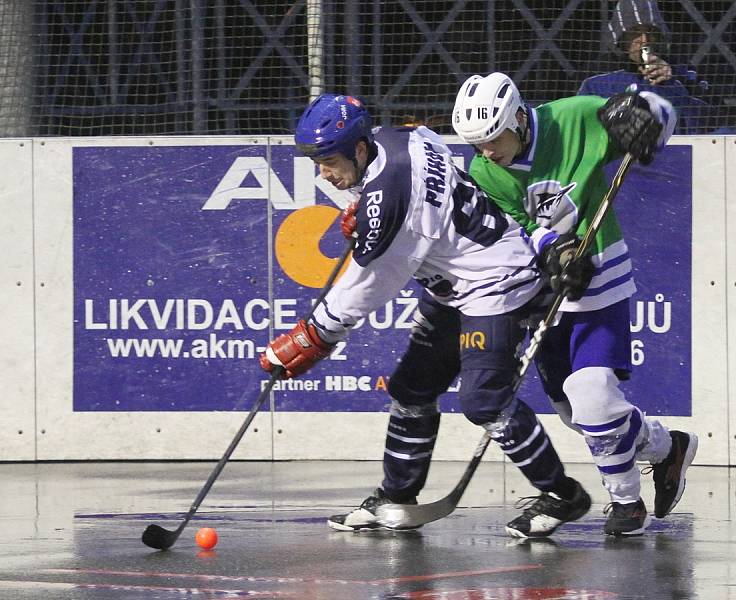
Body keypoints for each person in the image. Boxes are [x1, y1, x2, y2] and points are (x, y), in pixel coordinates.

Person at [259, 93, 594, 538]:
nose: (324, 173)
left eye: (331, 161)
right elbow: (417, 167)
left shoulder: (398, 201)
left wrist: (315, 335)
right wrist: (362, 206)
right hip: (458, 285)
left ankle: (564, 495)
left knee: (484, 401)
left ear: (358, 149)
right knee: (410, 388)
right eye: (317, 162)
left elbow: (371, 283)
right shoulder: (399, 138)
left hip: (497, 284)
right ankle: (396, 497)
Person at [451, 71, 699, 536]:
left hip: (600, 278)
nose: (487, 152)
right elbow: (517, 224)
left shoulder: (575, 116)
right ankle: (668, 448)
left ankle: (627, 504)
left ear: (519, 118)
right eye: (476, 144)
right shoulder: (483, 171)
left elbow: (659, 114)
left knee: (595, 401)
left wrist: (651, 123)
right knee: (575, 415)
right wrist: (554, 249)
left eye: (493, 138)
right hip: (543, 291)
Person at [578, 0, 711, 135]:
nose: (644, 40)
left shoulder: (683, 70)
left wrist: (671, 84)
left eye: (651, 31)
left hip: (674, 151)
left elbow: (712, 120)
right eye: (635, 32)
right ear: (621, 36)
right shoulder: (594, 76)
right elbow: (578, 126)